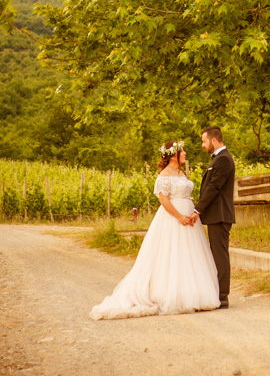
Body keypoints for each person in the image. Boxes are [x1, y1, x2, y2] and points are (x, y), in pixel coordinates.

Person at [89, 140, 220, 320]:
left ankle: (193, 292)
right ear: (173, 154)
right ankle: (171, 295)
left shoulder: (181, 173)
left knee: (189, 255)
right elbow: (164, 200)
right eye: (182, 151)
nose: (185, 154)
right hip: (173, 218)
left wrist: (192, 212)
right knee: (171, 254)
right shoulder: (164, 175)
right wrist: (179, 216)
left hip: (189, 218)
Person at [189, 126, 235, 309]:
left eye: (204, 141)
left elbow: (214, 187)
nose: (202, 145)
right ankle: (218, 293)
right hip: (216, 215)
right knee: (216, 254)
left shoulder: (223, 160)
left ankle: (223, 297)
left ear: (213, 141)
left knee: (220, 255)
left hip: (220, 215)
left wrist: (198, 210)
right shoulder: (218, 159)